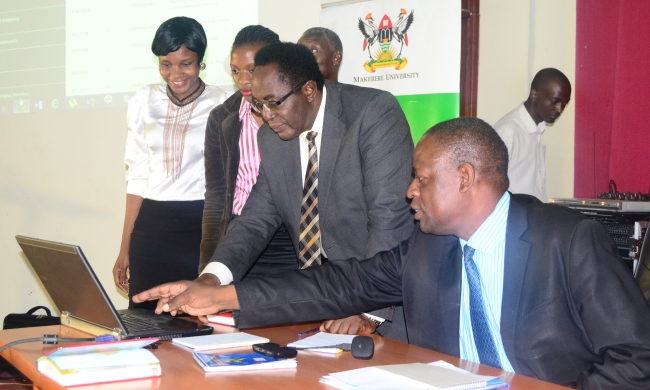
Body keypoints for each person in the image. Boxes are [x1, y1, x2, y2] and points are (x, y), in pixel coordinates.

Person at [136, 117, 650, 389]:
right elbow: (335, 285)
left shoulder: (567, 241)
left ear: (466, 178)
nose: (409, 190)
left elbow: (637, 359)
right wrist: (218, 294)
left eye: (422, 179)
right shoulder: (427, 249)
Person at [199, 42, 414, 340]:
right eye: (258, 104)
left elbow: (389, 218)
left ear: (309, 91)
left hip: (378, 306)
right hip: (316, 296)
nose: (266, 115)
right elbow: (255, 220)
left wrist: (366, 308)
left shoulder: (372, 113)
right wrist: (212, 279)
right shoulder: (272, 138)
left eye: (274, 102)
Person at [112, 16, 229, 309]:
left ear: (201, 61)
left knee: (197, 318)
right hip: (151, 227)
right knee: (144, 319)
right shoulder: (143, 100)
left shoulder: (224, 102)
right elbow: (137, 174)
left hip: (202, 227)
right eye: (166, 64)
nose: (175, 73)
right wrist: (124, 247)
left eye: (185, 63)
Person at [201, 25, 297, 281]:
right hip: (240, 236)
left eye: (252, 70)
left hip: (290, 240)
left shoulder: (297, 114)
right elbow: (216, 196)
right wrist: (208, 266)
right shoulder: (222, 118)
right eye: (235, 71)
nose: (243, 80)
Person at [494, 68, 571, 202]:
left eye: (564, 103)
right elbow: (490, 189)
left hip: (532, 218)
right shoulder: (509, 132)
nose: (560, 109)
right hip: (513, 220)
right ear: (534, 95)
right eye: (554, 101)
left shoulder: (536, 130)